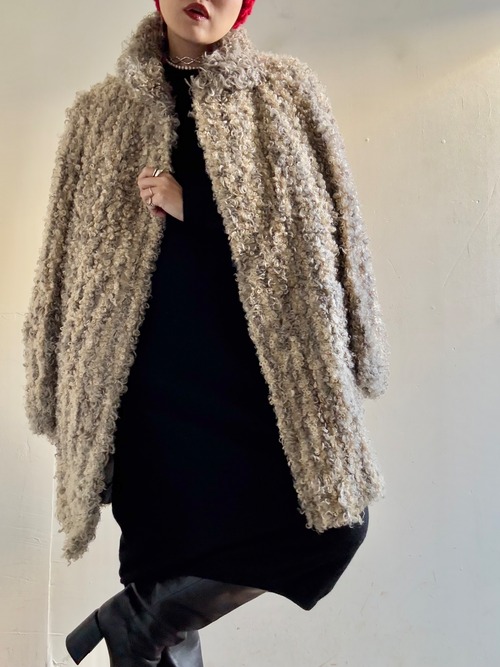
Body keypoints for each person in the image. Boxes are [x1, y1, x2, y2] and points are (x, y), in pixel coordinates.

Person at [22, 1, 391, 665]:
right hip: (148, 393)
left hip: (256, 384)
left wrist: (196, 204)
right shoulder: (101, 113)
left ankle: (135, 621)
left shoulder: (283, 93)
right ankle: (142, 624)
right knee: (164, 585)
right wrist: (50, 378)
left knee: (334, 526)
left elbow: (323, 236)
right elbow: (61, 261)